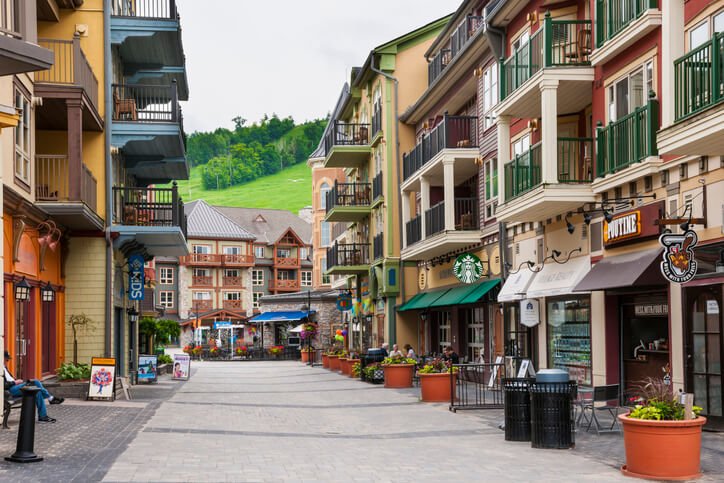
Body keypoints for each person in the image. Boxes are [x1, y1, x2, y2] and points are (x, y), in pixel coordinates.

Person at [4, 351, 63, 423]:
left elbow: (10, 379)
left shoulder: (4, 367)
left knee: (37, 392)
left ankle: (43, 416)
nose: (7, 361)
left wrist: (17, 381)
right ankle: (50, 398)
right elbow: (3, 385)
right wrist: (15, 382)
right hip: (10, 390)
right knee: (35, 382)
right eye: (6, 359)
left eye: (8, 360)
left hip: (15, 386)